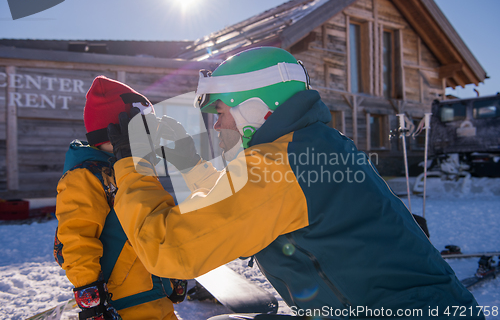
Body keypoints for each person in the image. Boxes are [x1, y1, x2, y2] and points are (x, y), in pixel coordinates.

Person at [107, 47, 484, 319]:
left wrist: (129, 161)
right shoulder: (309, 145)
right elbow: (234, 198)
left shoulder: (280, 165)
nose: (217, 125)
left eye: (220, 112)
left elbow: (169, 249)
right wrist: (183, 157)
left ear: (254, 109)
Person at [54, 76, 185, 320]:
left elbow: (157, 224)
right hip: (121, 302)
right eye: (146, 129)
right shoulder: (85, 177)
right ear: (120, 131)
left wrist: (173, 271)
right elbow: (76, 239)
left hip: (157, 294)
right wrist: (90, 295)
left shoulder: (136, 169)